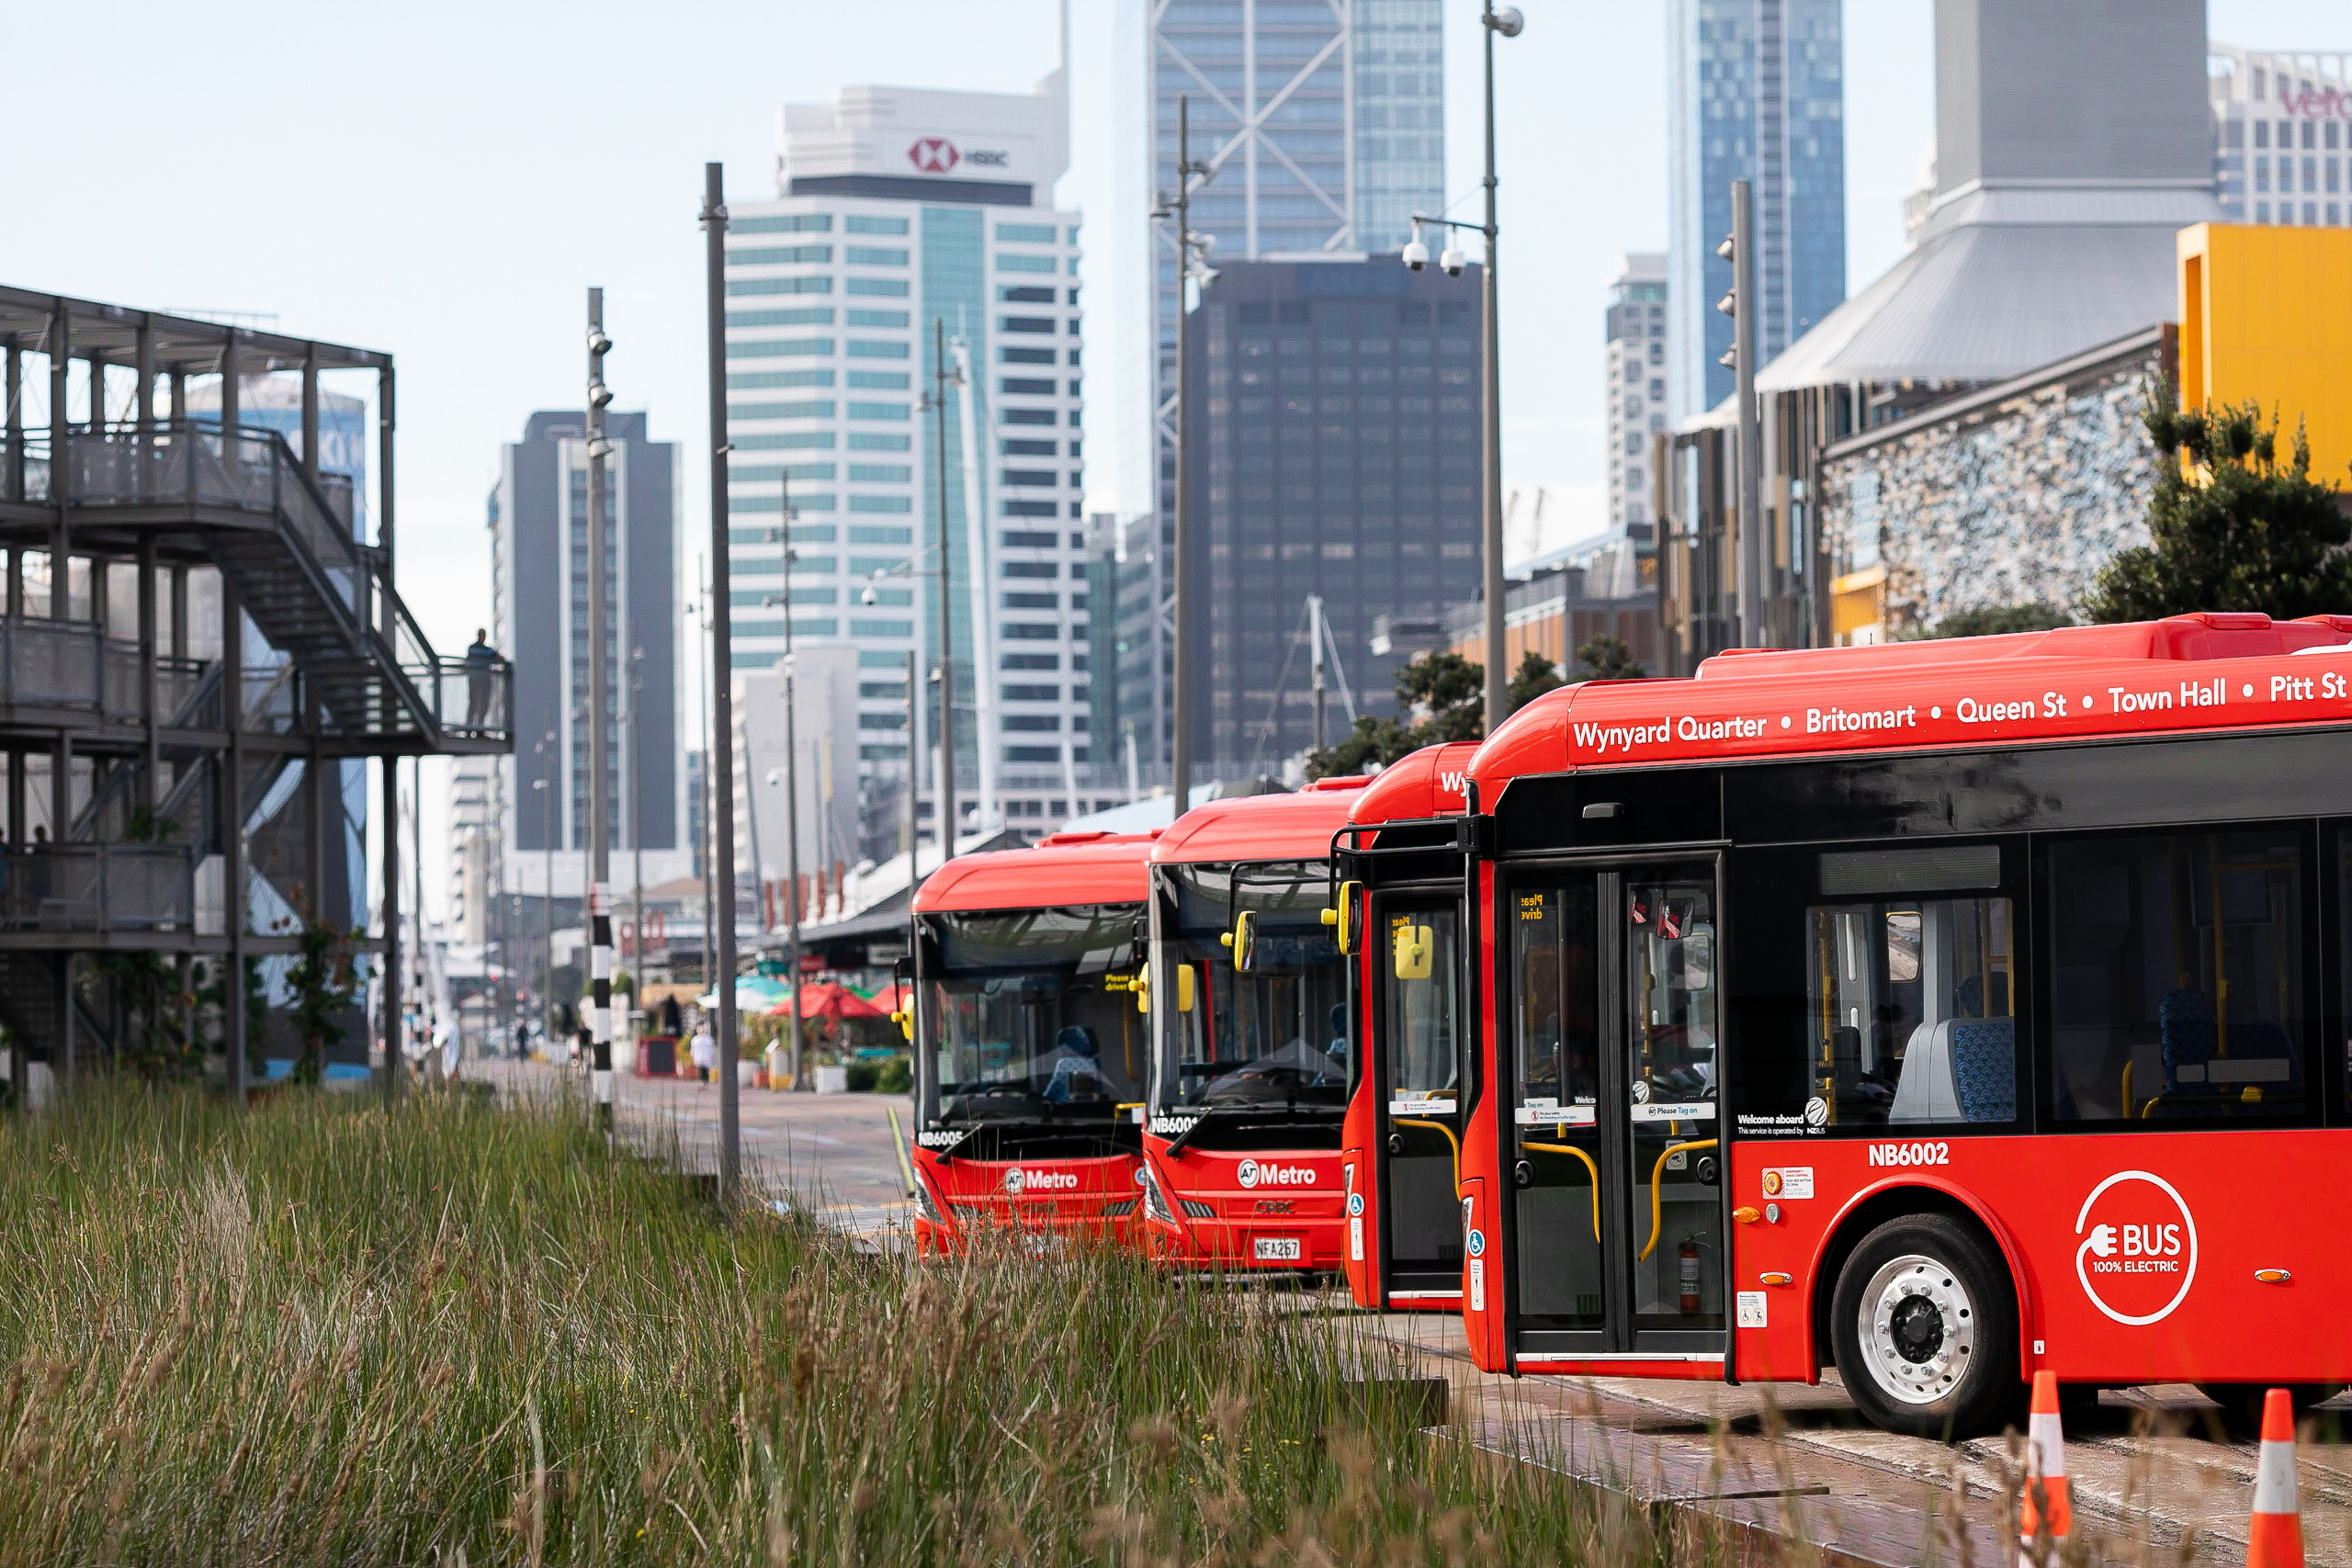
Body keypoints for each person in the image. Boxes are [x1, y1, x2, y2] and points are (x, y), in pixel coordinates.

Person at [463, 628, 499, 730]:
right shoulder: (486, 650)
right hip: (482, 680)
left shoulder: (472, 648)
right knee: (480, 703)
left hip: (474, 679)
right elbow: (498, 657)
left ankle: (471, 727)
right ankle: (477, 727)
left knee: (474, 703)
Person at [689, 1020, 717, 1084]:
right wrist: (692, 1055)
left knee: (705, 1069)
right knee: (701, 1069)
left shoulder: (708, 1038)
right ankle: (703, 1081)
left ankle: (705, 1081)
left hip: (706, 1057)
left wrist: (712, 1055)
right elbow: (693, 1049)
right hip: (699, 1057)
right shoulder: (695, 1039)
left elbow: (712, 1048)